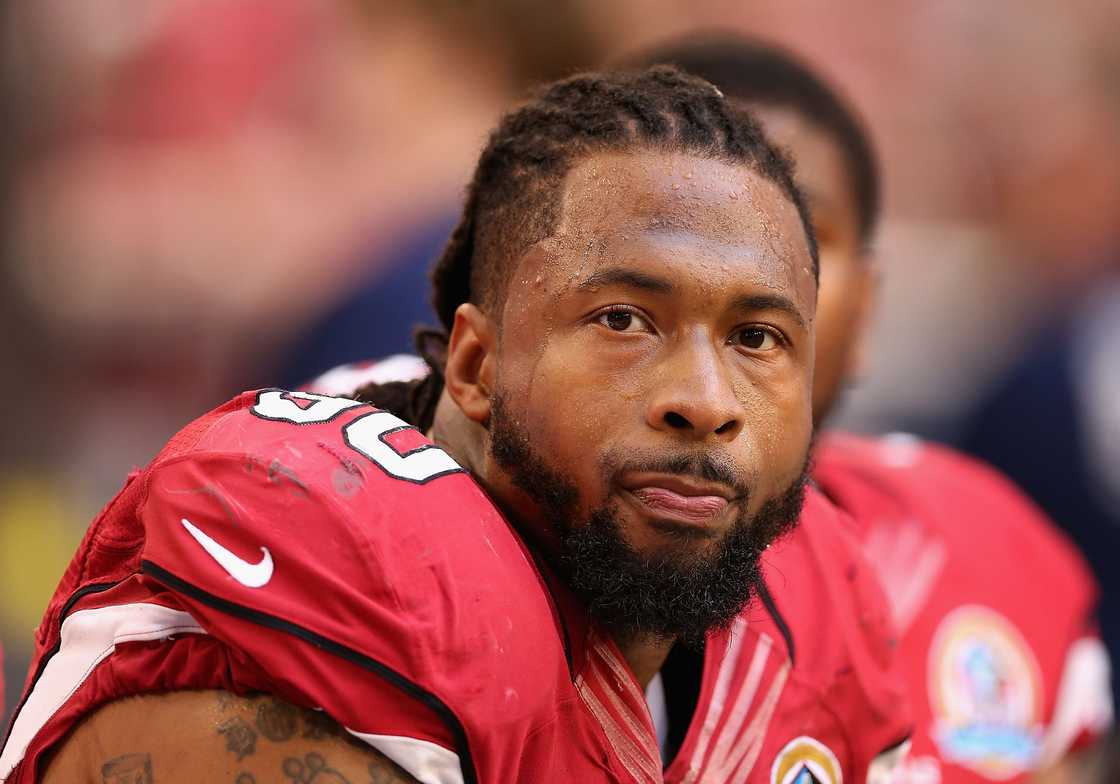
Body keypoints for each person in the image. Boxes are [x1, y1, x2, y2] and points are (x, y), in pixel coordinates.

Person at [0, 67, 910, 783]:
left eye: (757, 338)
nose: (706, 400)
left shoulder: (819, 605)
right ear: (474, 364)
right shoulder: (338, 568)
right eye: (624, 320)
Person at [626, 34, 1113, 783]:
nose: (729, 284)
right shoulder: (419, 535)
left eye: (796, 237)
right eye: (669, 228)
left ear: (868, 311)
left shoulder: (983, 552)